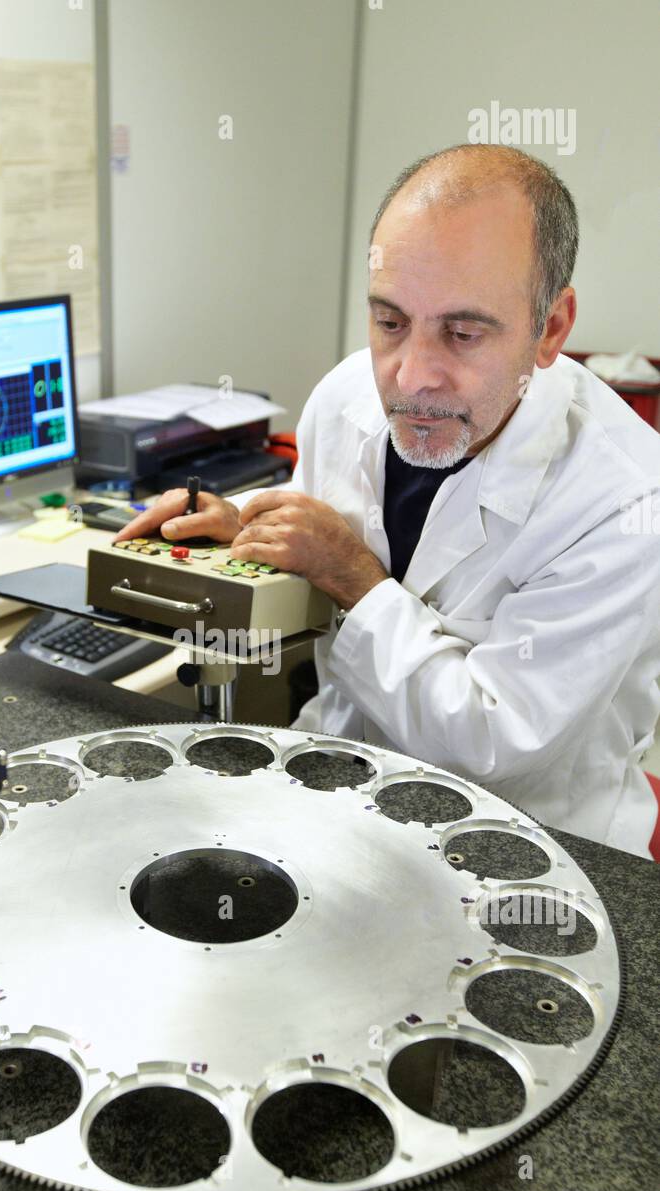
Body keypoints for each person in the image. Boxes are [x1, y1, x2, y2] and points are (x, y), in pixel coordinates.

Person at [116, 144, 660, 857]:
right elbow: (318, 563)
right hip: (335, 784)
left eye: (463, 333)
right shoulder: (347, 397)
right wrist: (244, 537)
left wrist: (354, 576)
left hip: (527, 838)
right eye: (390, 322)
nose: (412, 376)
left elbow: (492, 743)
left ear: (551, 328)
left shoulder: (623, 499)